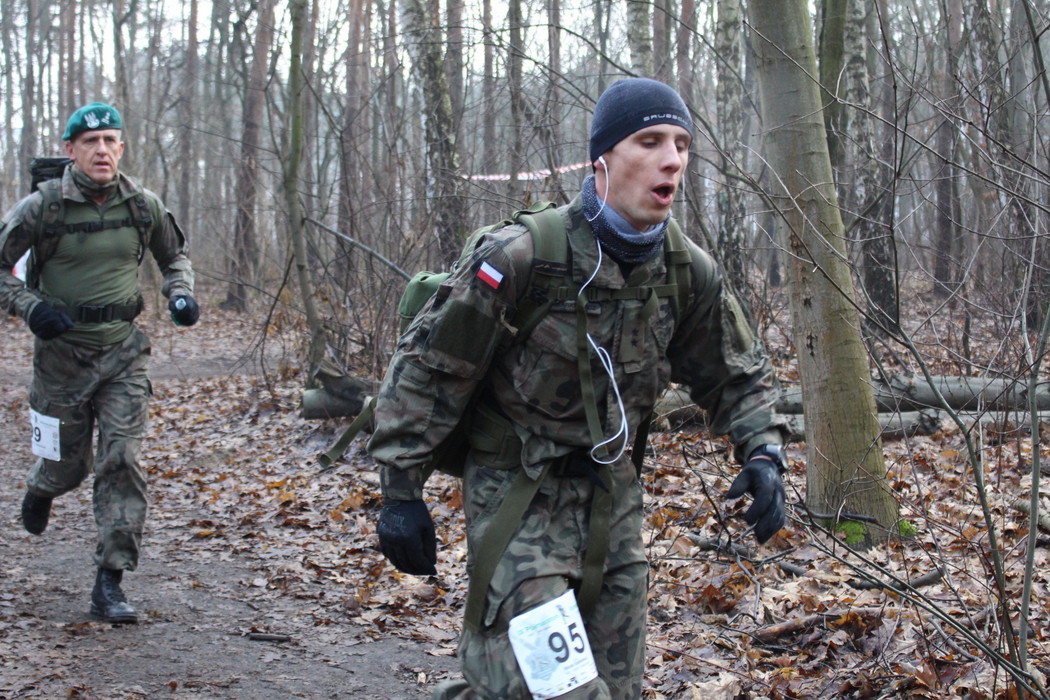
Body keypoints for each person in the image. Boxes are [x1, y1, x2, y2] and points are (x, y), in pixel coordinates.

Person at [368, 78, 790, 699]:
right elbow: (429, 371)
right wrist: (400, 494)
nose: (672, 160)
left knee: (616, 690)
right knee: (558, 690)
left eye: (681, 144)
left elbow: (736, 374)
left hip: (614, 503)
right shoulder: (519, 258)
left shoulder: (687, 272)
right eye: (650, 141)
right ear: (602, 159)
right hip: (517, 496)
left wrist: (763, 453)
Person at [0, 102, 200, 624]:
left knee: (122, 461)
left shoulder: (142, 205)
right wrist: (30, 307)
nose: (102, 150)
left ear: (122, 148)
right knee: (68, 467)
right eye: (90, 142)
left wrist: (180, 293)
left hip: (123, 356)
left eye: (111, 140)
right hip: (61, 360)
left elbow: (174, 257)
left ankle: (109, 581)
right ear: (71, 150)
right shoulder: (42, 208)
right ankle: (43, 486)